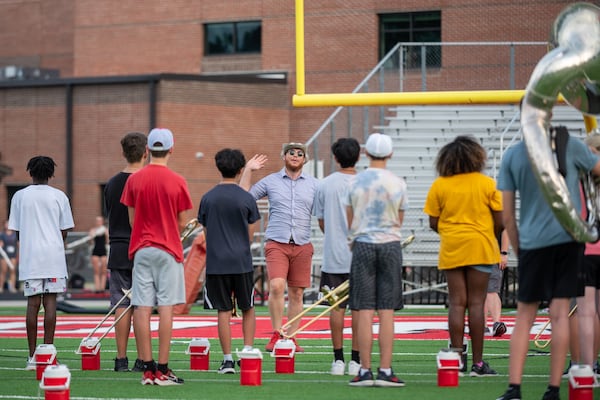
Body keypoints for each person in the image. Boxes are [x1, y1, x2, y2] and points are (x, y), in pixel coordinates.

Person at [496, 125, 600, 400]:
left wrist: (519, 249)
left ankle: (514, 389)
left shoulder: (514, 154)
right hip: (567, 239)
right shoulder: (572, 146)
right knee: (560, 315)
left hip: (532, 242)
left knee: (524, 317)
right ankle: (553, 389)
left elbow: (507, 215)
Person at [121, 127, 193, 386]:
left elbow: (131, 219)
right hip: (168, 248)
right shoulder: (177, 180)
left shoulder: (134, 180)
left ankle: (148, 367)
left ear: (148, 150)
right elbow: (182, 221)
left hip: (141, 247)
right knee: (165, 306)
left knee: (141, 305)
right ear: (171, 149)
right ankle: (162, 368)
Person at [424, 135, 501, 378]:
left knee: (457, 303)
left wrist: (451, 232)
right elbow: (501, 220)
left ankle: (455, 359)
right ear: (476, 157)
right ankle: (478, 364)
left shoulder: (440, 185)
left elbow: (433, 222)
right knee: (476, 304)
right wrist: (485, 232)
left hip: (453, 246)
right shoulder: (487, 183)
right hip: (481, 246)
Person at [240, 142, 318, 353]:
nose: (295, 156)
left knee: (297, 294)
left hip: (302, 243)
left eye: (299, 153)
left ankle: (291, 337)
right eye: (291, 152)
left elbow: (323, 210)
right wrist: (248, 169)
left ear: (305, 160)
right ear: (283, 156)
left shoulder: (314, 184)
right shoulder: (271, 181)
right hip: (277, 242)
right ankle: (277, 333)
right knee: (276, 286)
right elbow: (243, 196)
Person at [346, 133, 407, 387]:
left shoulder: (355, 182)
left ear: (366, 153)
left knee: (364, 309)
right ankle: (385, 369)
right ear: (390, 154)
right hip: (390, 244)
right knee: (386, 311)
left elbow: (349, 217)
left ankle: (364, 370)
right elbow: (400, 218)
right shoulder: (398, 182)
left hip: (363, 244)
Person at [198, 148, 261, 374]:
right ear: (241, 169)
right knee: (248, 307)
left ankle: (226, 360)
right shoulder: (247, 198)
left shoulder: (207, 198)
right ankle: (247, 352)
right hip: (241, 261)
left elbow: (206, 233)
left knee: (223, 310)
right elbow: (250, 235)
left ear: (218, 167)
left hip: (216, 262)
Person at [7, 156, 74, 369]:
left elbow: (16, 231)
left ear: (30, 172)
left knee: (33, 304)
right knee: (51, 302)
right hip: (53, 256)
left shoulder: (19, 196)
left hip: (31, 256)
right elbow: (65, 230)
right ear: (51, 174)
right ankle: (48, 354)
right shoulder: (59, 196)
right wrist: (54, 242)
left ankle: (32, 356)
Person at [313, 137, 361, 376]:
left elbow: (321, 221)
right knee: (361, 311)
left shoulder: (324, 184)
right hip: (362, 255)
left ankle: (338, 360)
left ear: (335, 158)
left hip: (334, 255)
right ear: (358, 156)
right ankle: (356, 360)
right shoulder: (366, 182)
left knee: (336, 308)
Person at [104, 131, 147, 372]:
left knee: (120, 303)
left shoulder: (112, 183)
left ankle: (121, 359)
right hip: (143, 246)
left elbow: (111, 213)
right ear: (145, 152)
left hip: (119, 247)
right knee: (142, 304)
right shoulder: (147, 180)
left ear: (123, 153)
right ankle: (143, 357)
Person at [484, 230, 509, 337]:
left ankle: (496, 323)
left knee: (491, 290)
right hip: (473, 250)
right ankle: (482, 324)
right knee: (478, 291)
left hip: (492, 251)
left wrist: (503, 252)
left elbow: (504, 229)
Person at [89, 215, 108, 292]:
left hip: (103, 251)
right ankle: (97, 288)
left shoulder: (105, 230)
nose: (98, 222)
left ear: (102, 222)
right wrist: (92, 236)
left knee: (104, 271)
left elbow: (107, 241)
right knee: (96, 271)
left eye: (100, 221)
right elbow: (90, 242)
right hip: (95, 251)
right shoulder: (93, 230)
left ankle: (102, 288)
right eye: (97, 221)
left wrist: (106, 234)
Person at [0, 220, 18, 293]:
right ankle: (1, 287)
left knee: (13, 271)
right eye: (6, 224)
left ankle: (12, 287)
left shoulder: (15, 235)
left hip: (13, 255)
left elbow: (18, 244)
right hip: (4, 256)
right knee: (3, 271)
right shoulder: (2, 235)